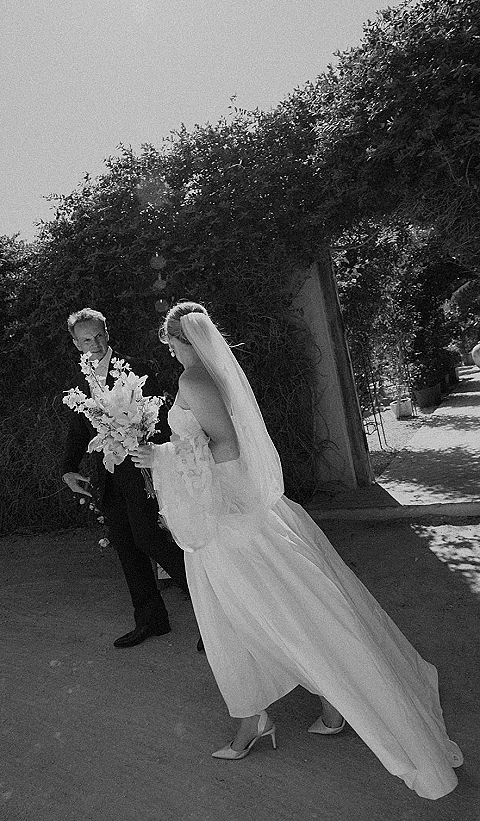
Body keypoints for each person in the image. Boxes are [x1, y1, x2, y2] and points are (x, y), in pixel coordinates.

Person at [131, 301, 463, 800]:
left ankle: (262, 718)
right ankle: (316, 708)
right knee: (289, 615)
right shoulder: (210, 376)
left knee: (256, 622)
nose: (173, 351)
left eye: (171, 343)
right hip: (236, 513)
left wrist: (164, 457)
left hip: (228, 524)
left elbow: (226, 446)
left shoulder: (194, 382)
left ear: (178, 340)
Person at [61, 307, 192, 649]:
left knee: (150, 539)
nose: (96, 343)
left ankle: (214, 611)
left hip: (141, 470)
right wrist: (67, 469)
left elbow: (163, 418)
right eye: (87, 339)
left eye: (100, 335)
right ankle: (151, 621)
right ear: (76, 344)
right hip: (108, 478)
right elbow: (78, 431)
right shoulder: (78, 381)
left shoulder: (137, 368)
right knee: (127, 545)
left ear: (108, 332)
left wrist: (151, 450)